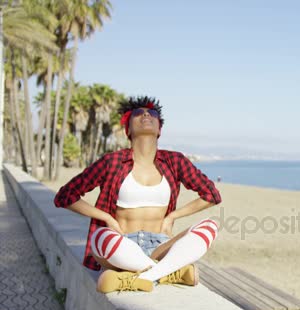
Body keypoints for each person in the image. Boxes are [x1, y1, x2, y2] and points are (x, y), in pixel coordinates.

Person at [54, 96, 221, 293]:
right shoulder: (112, 162)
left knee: (211, 225)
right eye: (137, 113)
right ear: (128, 129)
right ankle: (166, 273)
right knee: (100, 236)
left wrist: (173, 216)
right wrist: (106, 217)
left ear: (159, 129)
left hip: (161, 246)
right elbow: (65, 196)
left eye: (152, 113)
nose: (145, 114)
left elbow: (211, 195)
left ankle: (142, 277)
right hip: (120, 245)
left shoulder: (174, 161)